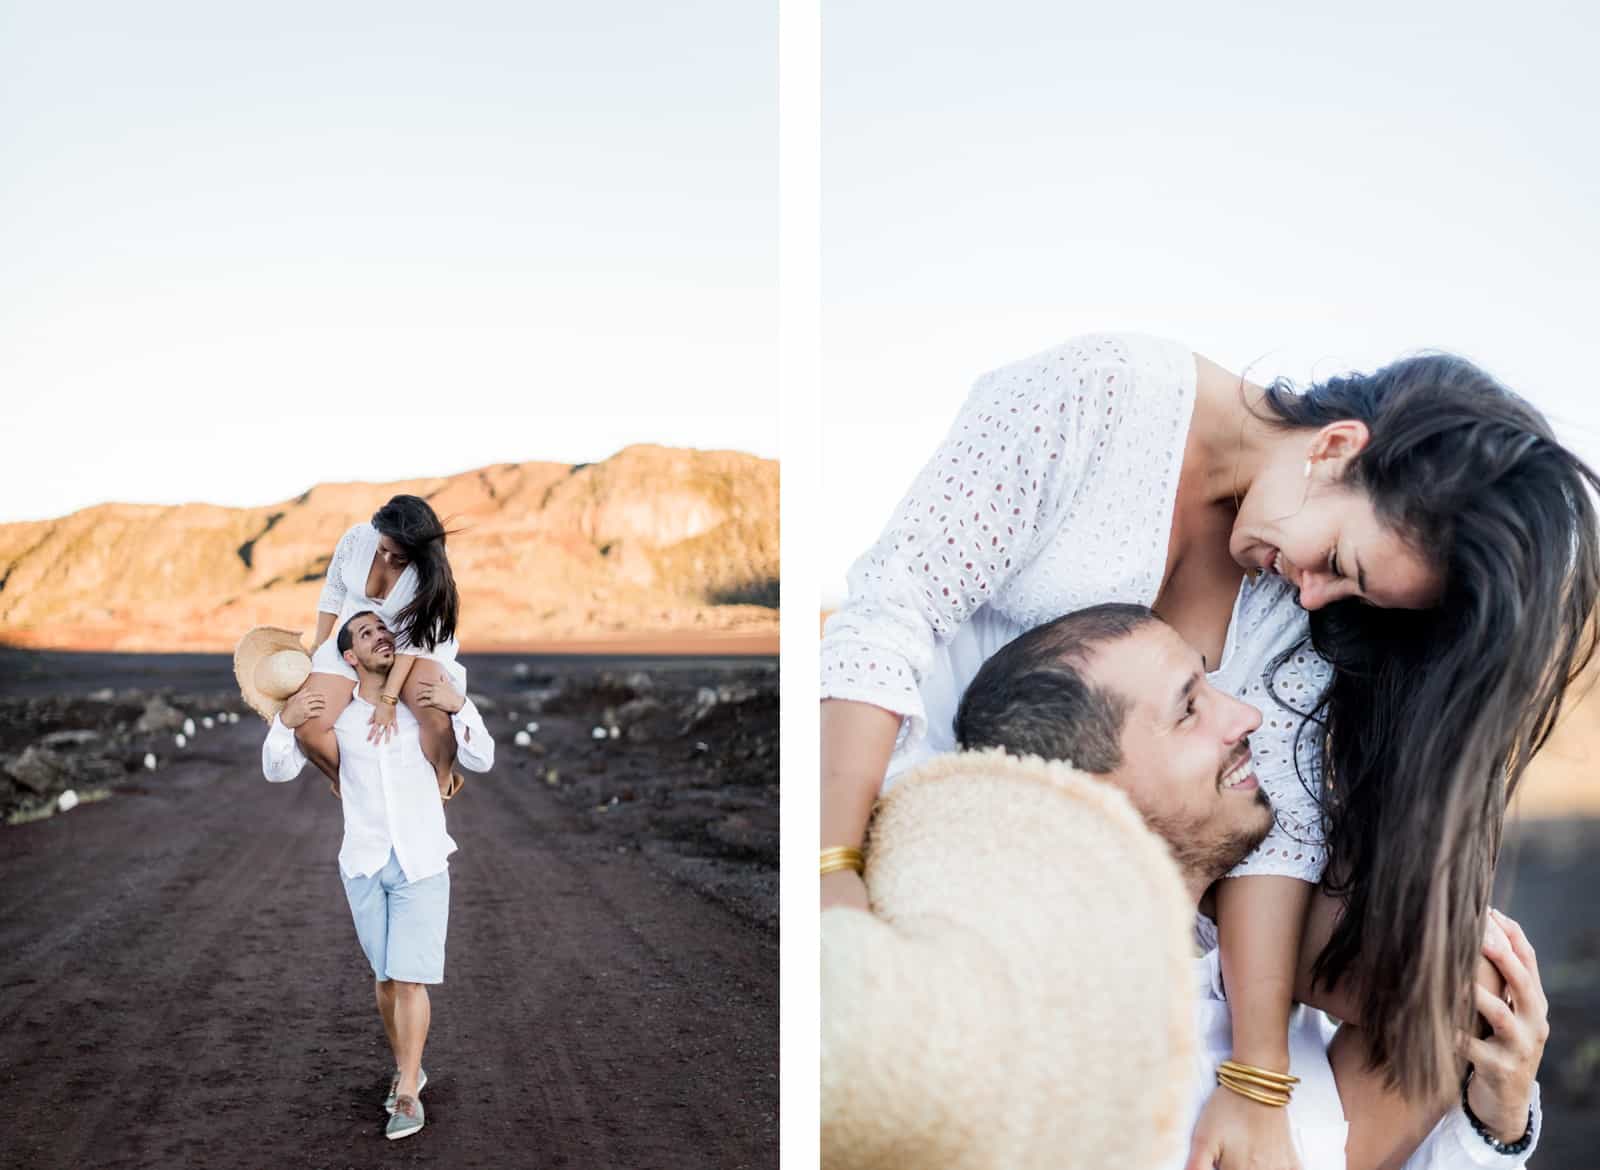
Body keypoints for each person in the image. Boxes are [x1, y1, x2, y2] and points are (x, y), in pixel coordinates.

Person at [820, 334, 1593, 1167]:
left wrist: (1256, 1077)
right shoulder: (1093, 400)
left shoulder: (1294, 589)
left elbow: (1285, 817)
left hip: (1170, 872)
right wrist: (835, 871)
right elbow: (890, 611)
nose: (1313, 594)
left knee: (1456, 970)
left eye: (1349, 590)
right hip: (949, 825)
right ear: (1336, 448)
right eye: (1336, 561)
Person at [822, 603, 1546, 1170]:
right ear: (1090, 791)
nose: (1246, 718)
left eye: (1212, 683)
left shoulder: (1272, 970)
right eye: (1189, 708)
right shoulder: (1059, 1073)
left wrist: (1496, 1126)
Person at [255, 611, 496, 1142]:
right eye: (366, 634)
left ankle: (408, 1088)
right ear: (349, 658)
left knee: (409, 977)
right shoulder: (335, 720)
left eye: (385, 631)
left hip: (423, 860)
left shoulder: (424, 708)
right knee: (386, 979)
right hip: (363, 862)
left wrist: (463, 706)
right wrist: (286, 718)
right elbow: (276, 770)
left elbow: (482, 758)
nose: (381, 637)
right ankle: (407, 1065)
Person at [293, 495, 467, 800]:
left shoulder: (431, 572)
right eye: (383, 548)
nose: (387, 559)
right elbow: (333, 590)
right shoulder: (357, 538)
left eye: (399, 557)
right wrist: (319, 647)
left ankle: (441, 784)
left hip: (412, 643)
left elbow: (413, 644)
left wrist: (388, 699)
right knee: (309, 726)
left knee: (435, 718)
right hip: (356, 635)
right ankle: (352, 787)